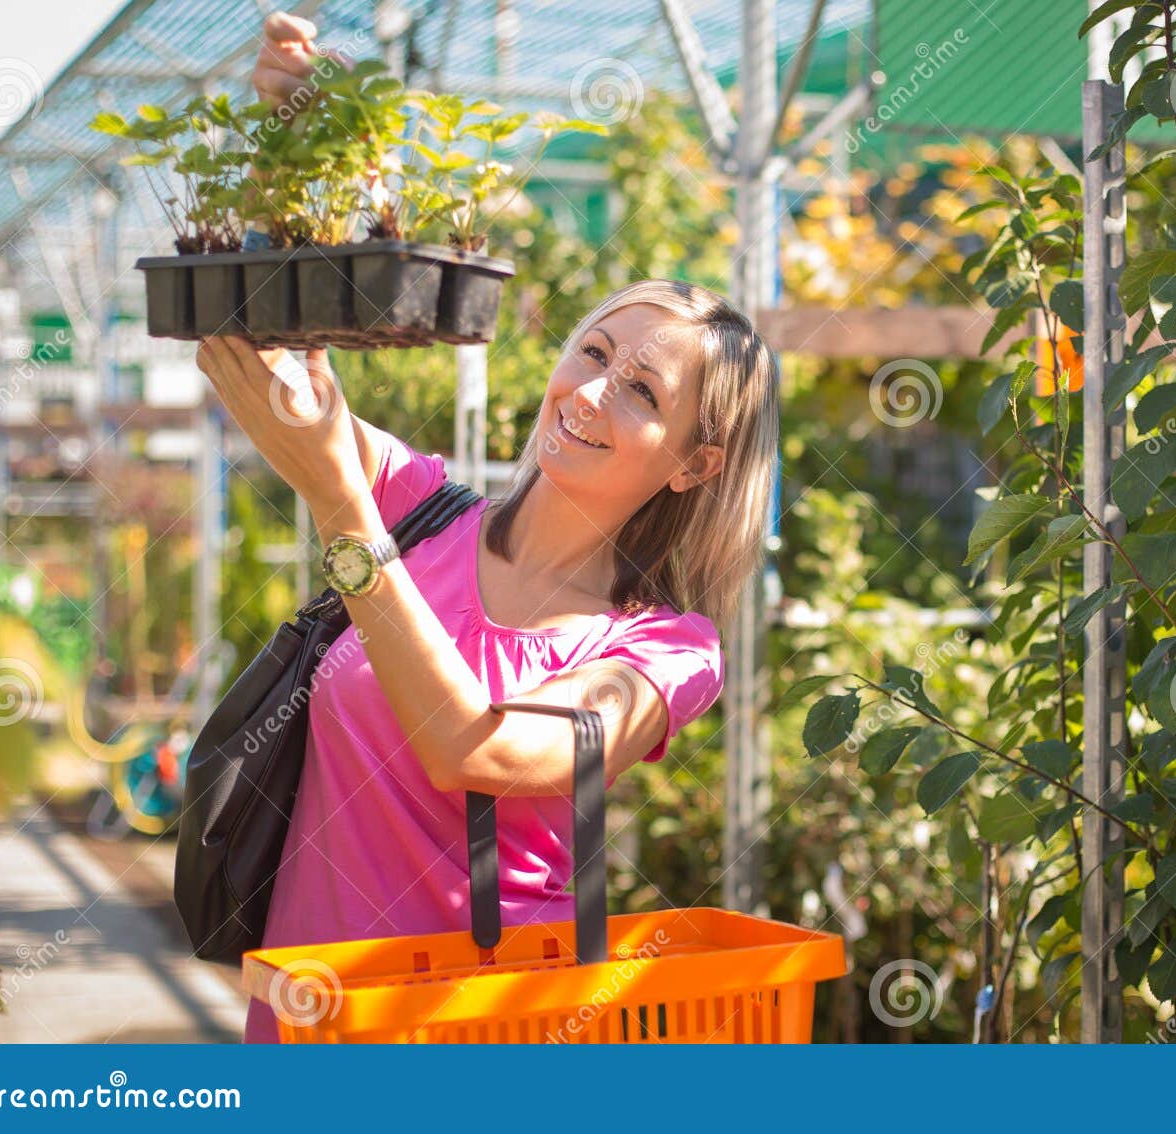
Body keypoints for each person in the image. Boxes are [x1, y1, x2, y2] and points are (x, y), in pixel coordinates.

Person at [199, 13, 780, 1044]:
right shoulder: (420, 509)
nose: (591, 393)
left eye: (641, 388)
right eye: (593, 353)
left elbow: (475, 751)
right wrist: (301, 143)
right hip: (305, 1029)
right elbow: (248, 352)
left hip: (485, 1047)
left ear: (698, 461)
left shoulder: (659, 650)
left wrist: (344, 517)